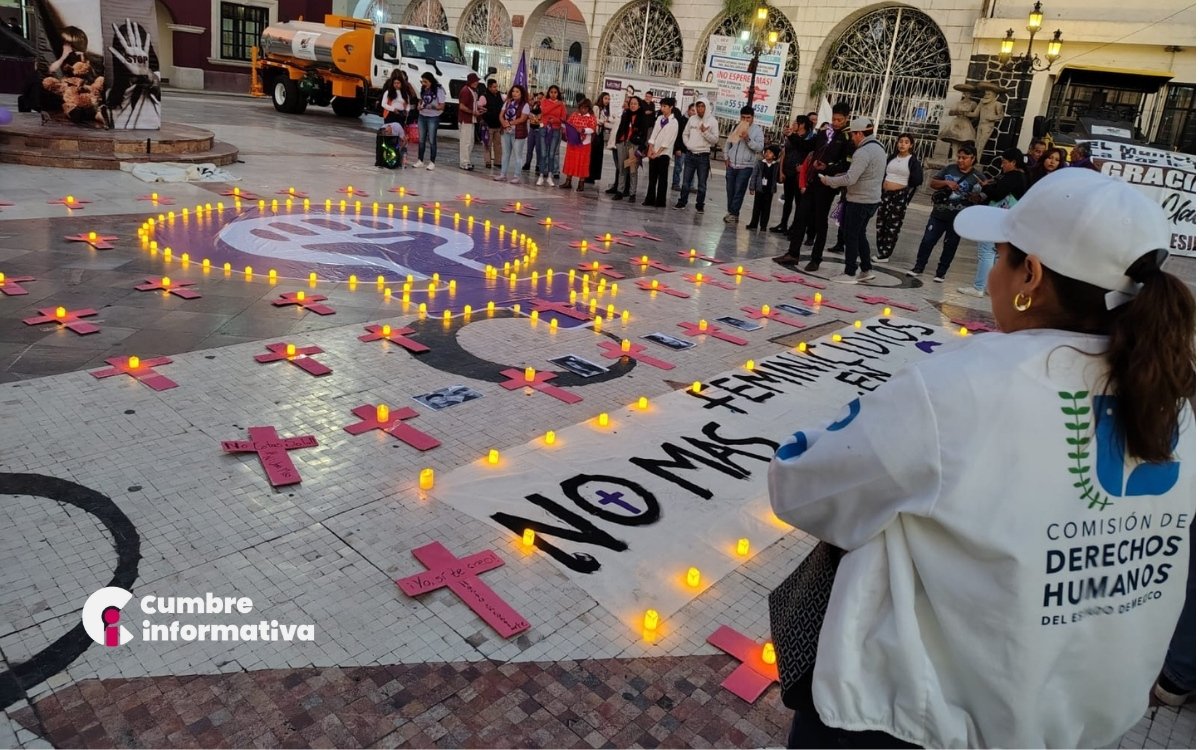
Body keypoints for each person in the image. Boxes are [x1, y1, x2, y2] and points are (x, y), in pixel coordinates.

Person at [770, 167, 1196, 749]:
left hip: (914, 720)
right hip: (1072, 725)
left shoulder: (962, 387)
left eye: (999, 254)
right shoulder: (1177, 400)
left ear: (1031, 274)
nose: (991, 272)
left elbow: (802, 487)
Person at [777, 102, 853, 269]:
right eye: (834, 119)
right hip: (813, 181)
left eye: (840, 120)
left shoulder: (848, 138)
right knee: (800, 216)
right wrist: (792, 136)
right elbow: (807, 146)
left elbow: (847, 164)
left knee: (820, 221)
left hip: (828, 184)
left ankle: (816, 259)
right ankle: (792, 253)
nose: (836, 122)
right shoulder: (824, 132)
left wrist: (828, 168)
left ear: (847, 119)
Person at [818, 117, 887, 283]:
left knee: (851, 235)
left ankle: (850, 272)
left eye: (853, 135)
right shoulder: (879, 147)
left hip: (859, 200)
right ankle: (866, 269)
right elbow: (864, 174)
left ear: (860, 134)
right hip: (872, 199)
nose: (851, 138)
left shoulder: (862, 152)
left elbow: (850, 179)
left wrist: (829, 180)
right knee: (859, 234)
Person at [958, 146, 1028, 297]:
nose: (1002, 165)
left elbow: (997, 194)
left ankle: (979, 286)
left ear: (1013, 162)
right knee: (996, 254)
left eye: (1004, 162)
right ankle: (991, 287)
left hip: (997, 218)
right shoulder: (1023, 176)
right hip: (1008, 220)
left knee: (986, 251)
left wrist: (987, 187)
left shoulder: (1013, 176)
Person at [907, 143, 982, 281]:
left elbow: (982, 197)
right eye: (958, 157)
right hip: (939, 213)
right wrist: (947, 183)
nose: (960, 160)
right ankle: (919, 266)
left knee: (951, 244)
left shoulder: (978, 176)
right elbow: (933, 183)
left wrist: (976, 195)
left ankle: (941, 272)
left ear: (973, 158)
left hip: (959, 217)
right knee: (928, 240)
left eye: (964, 158)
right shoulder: (950, 168)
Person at [873, 133, 923, 262]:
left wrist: (904, 189)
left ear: (911, 145)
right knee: (881, 222)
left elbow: (917, 179)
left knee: (892, 224)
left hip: (899, 195)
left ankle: (885, 253)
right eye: (900, 141)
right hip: (885, 194)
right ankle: (880, 249)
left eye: (906, 142)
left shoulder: (912, 161)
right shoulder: (892, 158)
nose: (902, 144)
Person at [674, 100, 719, 213]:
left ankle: (700, 205)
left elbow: (715, 140)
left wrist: (705, 132)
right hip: (690, 154)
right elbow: (685, 133)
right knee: (685, 182)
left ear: (707, 107)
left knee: (702, 184)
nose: (700, 109)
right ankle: (682, 202)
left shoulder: (712, 122)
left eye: (702, 106)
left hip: (703, 156)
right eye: (698, 106)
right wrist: (688, 145)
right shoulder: (692, 119)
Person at [722, 105, 765, 224]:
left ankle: (734, 213)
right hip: (732, 164)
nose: (745, 120)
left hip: (746, 166)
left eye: (748, 118)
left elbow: (760, 147)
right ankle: (732, 212)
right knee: (730, 189)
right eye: (743, 117)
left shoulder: (757, 130)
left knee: (739, 190)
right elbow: (728, 143)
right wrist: (726, 157)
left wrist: (748, 139)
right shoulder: (736, 127)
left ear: (753, 118)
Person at [772, 117, 815, 234]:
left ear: (802, 125)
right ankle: (783, 223)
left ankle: (795, 227)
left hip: (799, 175)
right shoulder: (791, 137)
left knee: (799, 202)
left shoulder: (809, 138)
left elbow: (809, 153)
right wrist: (781, 171)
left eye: (796, 122)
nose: (793, 124)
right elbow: (784, 153)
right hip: (788, 172)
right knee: (787, 200)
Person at [643, 97, 679, 208]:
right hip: (653, 151)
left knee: (662, 178)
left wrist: (658, 152)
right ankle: (649, 199)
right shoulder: (659, 118)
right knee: (652, 177)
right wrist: (651, 148)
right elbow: (653, 134)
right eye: (662, 106)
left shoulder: (674, 122)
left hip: (664, 153)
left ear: (671, 107)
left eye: (665, 106)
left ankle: (660, 201)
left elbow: (669, 139)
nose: (663, 109)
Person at [611, 95, 645, 203]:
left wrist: (641, 147)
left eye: (635, 104)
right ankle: (620, 192)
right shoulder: (626, 114)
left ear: (639, 105)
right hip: (623, 143)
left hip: (634, 145)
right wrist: (617, 141)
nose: (633, 105)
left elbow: (644, 134)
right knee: (621, 168)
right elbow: (621, 128)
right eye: (631, 104)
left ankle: (632, 193)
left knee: (632, 170)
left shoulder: (642, 116)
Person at [495, 84, 530, 184]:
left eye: (517, 91)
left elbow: (522, 119)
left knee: (517, 154)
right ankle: (503, 174)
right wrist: (504, 124)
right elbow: (501, 115)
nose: (514, 93)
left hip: (518, 133)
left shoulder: (525, 105)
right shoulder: (507, 102)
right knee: (505, 154)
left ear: (522, 93)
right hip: (506, 131)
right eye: (513, 91)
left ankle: (517, 176)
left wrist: (510, 123)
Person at [560, 98, 597, 191]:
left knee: (583, 163)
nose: (583, 110)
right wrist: (564, 127)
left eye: (585, 108)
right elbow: (568, 124)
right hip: (573, 142)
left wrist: (584, 130)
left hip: (584, 144)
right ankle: (568, 181)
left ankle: (581, 183)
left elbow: (592, 129)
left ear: (589, 108)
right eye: (581, 108)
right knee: (570, 162)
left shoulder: (591, 117)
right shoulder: (574, 115)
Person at [413, 72, 445, 170]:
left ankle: (432, 162)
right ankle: (420, 160)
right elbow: (421, 101)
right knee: (421, 139)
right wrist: (419, 106)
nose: (423, 84)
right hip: (422, 116)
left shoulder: (439, 90)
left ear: (431, 81)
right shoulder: (423, 89)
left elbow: (442, 106)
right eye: (422, 82)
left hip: (433, 117)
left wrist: (434, 107)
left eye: (425, 82)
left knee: (432, 140)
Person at [536, 85, 566, 186]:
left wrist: (555, 119)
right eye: (551, 92)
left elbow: (563, 118)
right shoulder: (545, 101)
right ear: (548, 92)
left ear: (558, 94)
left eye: (555, 92)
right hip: (544, 129)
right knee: (543, 153)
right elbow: (544, 111)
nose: (553, 94)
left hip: (555, 130)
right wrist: (556, 104)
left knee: (552, 154)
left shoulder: (561, 105)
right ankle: (541, 175)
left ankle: (550, 176)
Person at [747, 144, 781, 231]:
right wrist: (752, 187)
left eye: (770, 152)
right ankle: (753, 223)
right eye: (766, 152)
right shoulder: (759, 163)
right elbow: (754, 175)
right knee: (756, 207)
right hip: (759, 189)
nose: (767, 154)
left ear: (774, 156)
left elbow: (778, 177)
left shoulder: (776, 166)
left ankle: (763, 225)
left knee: (766, 208)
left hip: (769, 190)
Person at [588, 91, 614, 185]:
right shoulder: (596, 107)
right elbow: (594, 119)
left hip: (600, 134)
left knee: (598, 156)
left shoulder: (605, 110)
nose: (607, 101)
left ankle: (594, 176)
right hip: (595, 134)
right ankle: (589, 176)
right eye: (605, 98)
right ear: (601, 98)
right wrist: (604, 121)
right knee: (593, 155)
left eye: (608, 99)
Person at [456, 72, 481, 170]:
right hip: (465, 120)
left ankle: (467, 161)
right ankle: (464, 162)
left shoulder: (473, 91)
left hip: (471, 120)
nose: (476, 82)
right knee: (465, 142)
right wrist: (473, 112)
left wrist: (478, 109)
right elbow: (462, 106)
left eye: (477, 81)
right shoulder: (466, 91)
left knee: (470, 141)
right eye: (475, 81)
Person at [671, 103, 694, 191]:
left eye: (695, 111)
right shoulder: (681, 120)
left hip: (691, 149)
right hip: (681, 148)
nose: (694, 112)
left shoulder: (696, 121)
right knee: (678, 167)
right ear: (688, 110)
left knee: (692, 169)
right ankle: (675, 183)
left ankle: (690, 185)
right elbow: (677, 135)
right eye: (692, 110)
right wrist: (677, 148)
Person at [482, 79, 504, 169]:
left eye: (496, 86)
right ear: (489, 87)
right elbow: (480, 107)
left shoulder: (499, 95)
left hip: (498, 125)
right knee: (487, 144)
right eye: (494, 87)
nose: (496, 88)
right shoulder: (484, 96)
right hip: (488, 125)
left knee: (498, 145)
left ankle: (498, 162)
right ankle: (488, 161)